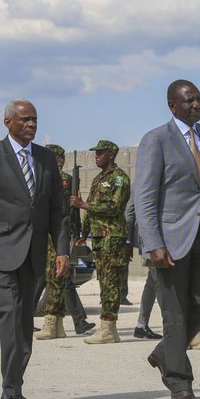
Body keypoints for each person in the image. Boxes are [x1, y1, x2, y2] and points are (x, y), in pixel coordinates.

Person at [0, 99, 69, 399]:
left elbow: (58, 211)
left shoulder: (45, 158)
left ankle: (17, 387)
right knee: (9, 320)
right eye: (25, 119)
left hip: (33, 255)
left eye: (35, 120)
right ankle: (8, 391)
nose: (31, 125)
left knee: (25, 327)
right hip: (0, 254)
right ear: (8, 122)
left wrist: (62, 249)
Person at [134, 79, 200, 399]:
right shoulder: (156, 140)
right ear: (172, 105)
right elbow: (145, 197)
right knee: (173, 313)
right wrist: (152, 243)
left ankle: (165, 352)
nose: (197, 105)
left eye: (199, 99)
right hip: (170, 240)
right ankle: (179, 383)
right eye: (189, 101)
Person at [71, 140, 131, 344]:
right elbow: (91, 208)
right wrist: (84, 231)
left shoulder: (120, 178)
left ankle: (108, 327)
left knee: (111, 282)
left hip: (113, 237)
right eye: (96, 153)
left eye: (100, 153)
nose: (97, 156)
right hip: (98, 237)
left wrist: (84, 205)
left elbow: (114, 207)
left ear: (111, 155)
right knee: (104, 282)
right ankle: (108, 329)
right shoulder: (98, 179)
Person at [34, 144, 95, 339]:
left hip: (56, 233)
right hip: (54, 233)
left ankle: (74, 320)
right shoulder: (55, 177)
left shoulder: (55, 177)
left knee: (56, 276)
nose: (59, 160)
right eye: (56, 157)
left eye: (60, 157)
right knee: (55, 276)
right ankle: (76, 320)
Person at [125, 195, 163, 340]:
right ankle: (172, 327)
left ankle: (141, 325)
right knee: (161, 283)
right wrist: (128, 241)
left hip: (162, 238)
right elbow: (130, 211)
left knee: (152, 283)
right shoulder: (145, 177)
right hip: (151, 239)